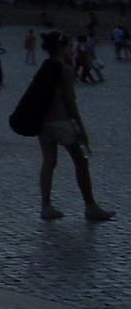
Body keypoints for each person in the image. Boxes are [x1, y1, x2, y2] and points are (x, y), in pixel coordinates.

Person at [29, 32, 114, 222]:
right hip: (61, 121)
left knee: (48, 163)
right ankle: (90, 206)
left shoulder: (44, 66)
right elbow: (70, 102)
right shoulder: (65, 69)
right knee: (81, 162)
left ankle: (46, 206)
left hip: (43, 122)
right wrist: (81, 129)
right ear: (62, 47)